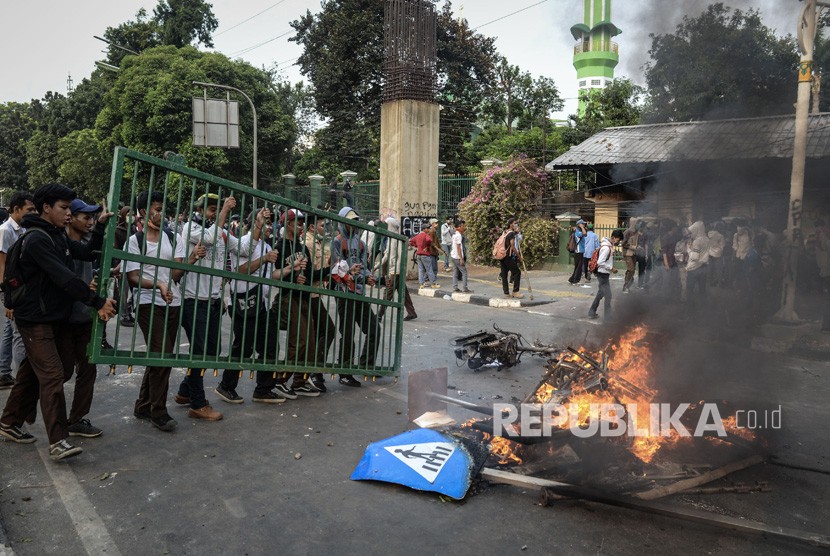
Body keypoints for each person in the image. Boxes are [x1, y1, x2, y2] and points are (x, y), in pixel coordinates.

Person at [0, 183, 117, 460]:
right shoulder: (38, 239)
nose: (68, 214)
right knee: (52, 375)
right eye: (63, 208)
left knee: (49, 370)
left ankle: (9, 421)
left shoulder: (56, 237)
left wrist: (99, 226)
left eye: (68, 208)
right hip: (34, 319)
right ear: (46, 209)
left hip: (54, 318)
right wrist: (97, 301)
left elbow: (88, 253)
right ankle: (58, 440)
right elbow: (64, 278)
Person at [127, 191, 205, 432]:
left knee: (159, 355)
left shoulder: (173, 238)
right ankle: (157, 411)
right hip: (147, 302)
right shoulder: (135, 241)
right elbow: (133, 276)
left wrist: (191, 259)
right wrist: (158, 285)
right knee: (162, 355)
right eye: (156, 208)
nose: (161, 213)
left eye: (162, 208)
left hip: (172, 302)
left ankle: (143, 404)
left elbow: (175, 273)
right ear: (143, 212)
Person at [177, 193, 239, 422]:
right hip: (194, 299)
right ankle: (198, 403)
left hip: (213, 301)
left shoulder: (221, 230)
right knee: (199, 353)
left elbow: (241, 248)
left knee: (211, 352)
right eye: (211, 209)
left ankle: (185, 391)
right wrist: (224, 211)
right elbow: (210, 239)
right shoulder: (189, 228)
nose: (214, 213)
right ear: (200, 210)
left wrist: (259, 227)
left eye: (216, 209)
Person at [216, 207, 284, 404]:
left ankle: (263, 389)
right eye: (264, 220)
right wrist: (263, 259)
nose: (268, 225)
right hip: (243, 300)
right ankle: (226, 386)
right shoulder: (246, 242)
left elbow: (271, 275)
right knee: (243, 347)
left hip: (260, 302)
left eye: (269, 221)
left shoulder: (267, 246)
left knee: (269, 345)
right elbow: (240, 270)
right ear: (254, 222)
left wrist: (290, 269)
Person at [63, 199, 106, 438]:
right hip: (65, 318)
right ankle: (19, 412)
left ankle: (76, 418)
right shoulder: (62, 245)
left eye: (92, 218)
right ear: (72, 218)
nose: (89, 222)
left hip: (85, 316)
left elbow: (94, 261)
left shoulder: (88, 244)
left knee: (88, 369)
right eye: (86, 218)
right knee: (63, 371)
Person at [271, 209, 321, 398]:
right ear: (287, 224)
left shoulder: (302, 248)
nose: (301, 225)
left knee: (309, 341)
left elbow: (308, 274)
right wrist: (293, 276)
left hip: (304, 295)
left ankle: (300, 381)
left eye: (302, 223)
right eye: (297, 222)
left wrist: (309, 279)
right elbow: (275, 275)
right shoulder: (280, 246)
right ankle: (280, 380)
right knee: (298, 340)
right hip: (288, 296)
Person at [330, 207, 379, 387]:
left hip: (359, 292)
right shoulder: (337, 242)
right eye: (349, 221)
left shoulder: (360, 243)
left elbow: (364, 265)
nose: (353, 224)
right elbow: (337, 269)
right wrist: (358, 275)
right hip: (344, 292)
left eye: (355, 220)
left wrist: (368, 276)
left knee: (374, 329)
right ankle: (345, 371)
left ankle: (366, 364)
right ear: (342, 221)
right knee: (348, 333)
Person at [0, 191, 36, 389]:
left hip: (17, 287)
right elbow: (2, 265)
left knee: (8, 330)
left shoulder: (23, 230)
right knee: (17, 333)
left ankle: (3, 371)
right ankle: (22, 379)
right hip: (11, 289)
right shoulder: (5, 231)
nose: (33, 213)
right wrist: (9, 297)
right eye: (29, 209)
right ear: (16, 209)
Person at [304, 213, 336, 391]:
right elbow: (309, 273)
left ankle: (314, 373)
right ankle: (314, 372)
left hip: (317, 293)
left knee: (316, 334)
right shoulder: (308, 244)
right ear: (312, 227)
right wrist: (329, 271)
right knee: (327, 330)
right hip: (310, 295)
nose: (325, 228)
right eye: (322, 225)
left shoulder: (319, 243)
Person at [379, 216, 417, 321]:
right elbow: (386, 256)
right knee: (403, 293)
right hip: (394, 270)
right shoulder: (390, 238)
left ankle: (379, 315)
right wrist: (376, 266)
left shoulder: (397, 239)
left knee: (388, 293)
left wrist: (398, 271)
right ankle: (411, 312)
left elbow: (401, 257)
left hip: (395, 271)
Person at [588, 229, 623, 321]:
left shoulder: (608, 246)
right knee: (608, 295)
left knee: (601, 293)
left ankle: (592, 312)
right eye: (618, 240)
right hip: (602, 274)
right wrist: (611, 268)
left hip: (604, 273)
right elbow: (600, 262)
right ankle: (607, 317)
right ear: (613, 238)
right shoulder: (606, 248)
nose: (618, 242)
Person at [408, 224, 439, 289]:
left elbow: (410, 242)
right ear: (424, 229)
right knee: (429, 269)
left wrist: (417, 246)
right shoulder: (425, 235)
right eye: (427, 228)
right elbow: (429, 240)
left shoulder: (417, 236)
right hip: (425, 254)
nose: (428, 229)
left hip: (418, 254)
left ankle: (421, 284)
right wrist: (427, 246)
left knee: (420, 269)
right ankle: (433, 284)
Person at [685, 221, 710, 300]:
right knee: (702, 289)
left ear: (696, 230)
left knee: (690, 289)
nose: (691, 234)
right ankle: (703, 307)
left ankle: (690, 307)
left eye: (692, 232)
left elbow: (695, 257)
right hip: (704, 267)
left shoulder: (697, 241)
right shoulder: (706, 239)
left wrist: (688, 249)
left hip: (694, 268)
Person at [501, 218, 524, 299]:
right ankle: (515, 291)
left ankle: (506, 293)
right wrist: (519, 257)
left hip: (502, 256)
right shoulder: (511, 234)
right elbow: (513, 246)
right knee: (517, 272)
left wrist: (517, 233)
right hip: (508, 256)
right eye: (515, 223)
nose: (516, 225)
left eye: (517, 223)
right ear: (510, 224)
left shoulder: (505, 232)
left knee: (504, 274)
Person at [451, 220, 473, 293]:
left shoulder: (455, 234)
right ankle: (465, 288)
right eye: (462, 226)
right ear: (459, 227)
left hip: (453, 256)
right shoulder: (458, 235)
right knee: (464, 272)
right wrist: (461, 259)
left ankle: (455, 287)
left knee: (455, 272)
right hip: (457, 257)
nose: (464, 228)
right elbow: (458, 248)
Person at [621, 218, 642, 293]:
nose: (639, 225)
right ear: (633, 224)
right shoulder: (627, 232)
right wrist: (634, 247)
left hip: (633, 254)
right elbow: (623, 243)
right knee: (631, 269)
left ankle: (628, 286)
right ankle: (625, 286)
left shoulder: (636, 232)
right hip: (627, 253)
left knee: (631, 271)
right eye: (637, 223)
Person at [568, 219, 587, 285]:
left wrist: (582, 227)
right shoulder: (577, 232)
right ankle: (575, 280)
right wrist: (581, 227)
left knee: (578, 266)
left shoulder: (578, 231)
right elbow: (585, 234)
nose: (584, 225)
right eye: (583, 224)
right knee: (579, 267)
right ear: (579, 225)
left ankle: (572, 279)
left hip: (580, 251)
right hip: (578, 251)